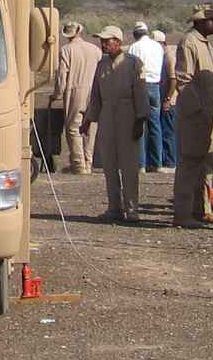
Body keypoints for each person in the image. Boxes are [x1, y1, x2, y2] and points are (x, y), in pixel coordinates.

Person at [84, 26, 150, 222]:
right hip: (107, 116)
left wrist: (140, 119)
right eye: (102, 41)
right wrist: (89, 119)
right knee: (109, 164)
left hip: (128, 114)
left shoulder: (133, 63)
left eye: (107, 41)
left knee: (129, 165)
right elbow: (95, 95)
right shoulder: (101, 65)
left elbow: (141, 93)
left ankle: (132, 208)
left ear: (118, 42)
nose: (103, 44)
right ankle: (114, 208)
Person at [171, 6, 213, 227]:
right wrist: (198, 111)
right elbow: (184, 79)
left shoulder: (204, 43)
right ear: (202, 22)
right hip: (196, 118)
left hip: (209, 116)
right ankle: (183, 213)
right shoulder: (189, 42)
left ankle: (203, 209)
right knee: (190, 163)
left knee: (206, 164)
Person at [49, 21, 101, 174]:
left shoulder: (66, 50)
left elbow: (62, 75)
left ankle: (78, 164)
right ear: (80, 31)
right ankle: (88, 162)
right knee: (90, 127)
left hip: (75, 90)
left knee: (73, 127)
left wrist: (57, 94)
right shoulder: (95, 50)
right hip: (93, 91)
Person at [127, 22, 166, 171]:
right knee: (155, 124)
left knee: (140, 123)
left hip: (141, 85)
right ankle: (157, 163)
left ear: (135, 34)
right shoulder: (157, 46)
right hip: (155, 85)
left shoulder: (134, 47)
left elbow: (131, 68)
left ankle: (141, 164)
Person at [154, 30, 179, 168]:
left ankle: (170, 162)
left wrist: (168, 99)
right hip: (163, 99)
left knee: (168, 132)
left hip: (169, 101)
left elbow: (173, 79)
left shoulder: (169, 56)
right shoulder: (162, 56)